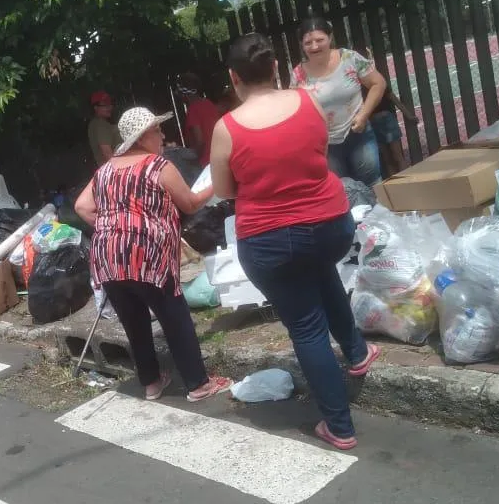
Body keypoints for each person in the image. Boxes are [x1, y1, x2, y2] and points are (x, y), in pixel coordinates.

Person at [209, 32, 381, 450]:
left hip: (270, 241)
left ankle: (339, 426)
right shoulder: (309, 102)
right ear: (274, 68)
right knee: (321, 271)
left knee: (306, 329)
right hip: (328, 224)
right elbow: (319, 153)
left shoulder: (226, 129)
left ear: (234, 78)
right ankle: (357, 353)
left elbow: (225, 190)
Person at [75, 107, 232, 402]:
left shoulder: (106, 170)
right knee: (175, 317)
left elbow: (83, 207)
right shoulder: (157, 165)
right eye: (157, 131)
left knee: (134, 322)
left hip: (108, 257)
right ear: (143, 135)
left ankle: (151, 384)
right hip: (148, 255)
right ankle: (198, 384)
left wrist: (114, 228)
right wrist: (218, 181)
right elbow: (191, 203)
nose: (162, 135)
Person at [291, 16, 387, 186]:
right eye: (308, 42)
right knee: (340, 190)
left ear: (330, 38)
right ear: (301, 45)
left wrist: (364, 115)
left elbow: (378, 83)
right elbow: (293, 108)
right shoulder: (298, 74)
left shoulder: (350, 58)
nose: (314, 46)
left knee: (373, 184)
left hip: (358, 133)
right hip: (325, 145)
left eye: (320, 40)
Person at [354, 43, 415, 177]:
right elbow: (392, 97)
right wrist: (408, 114)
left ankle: (396, 186)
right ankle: (404, 182)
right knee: (397, 156)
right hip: (383, 119)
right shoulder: (373, 78)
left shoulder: (355, 82)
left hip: (373, 121)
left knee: (388, 159)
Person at [176, 72, 221, 166]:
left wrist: (194, 159)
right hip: (219, 157)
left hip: (206, 162)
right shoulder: (208, 103)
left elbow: (200, 141)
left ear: (184, 94)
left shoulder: (193, 110)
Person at [86, 90, 120, 166]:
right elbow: (107, 153)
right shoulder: (100, 124)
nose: (110, 107)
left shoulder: (97, 123)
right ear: (95, 107)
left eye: (110, 104)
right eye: (105, 105)